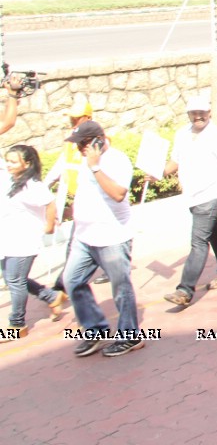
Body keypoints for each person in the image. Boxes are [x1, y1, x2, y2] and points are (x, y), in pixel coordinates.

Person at [60, 121, 142, 356]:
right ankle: (95, 330)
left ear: (99, 140)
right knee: (72, 280)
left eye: (83, 144)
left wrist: (96, 168)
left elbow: (118, 194)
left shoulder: (116, 161)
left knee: (120, 287)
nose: (79, 149)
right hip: (85, 237)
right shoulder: (87, 162)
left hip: (112, 236)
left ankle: (130, 336)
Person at [162, 97, 217, 308]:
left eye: (202, 112)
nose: (198, 116)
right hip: (193, 196)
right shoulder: (182, 134)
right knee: (215, 231)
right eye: (193, 113)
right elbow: (175, 161)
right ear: (188, 115)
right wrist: (158, 173)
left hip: (212, 194)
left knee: (198, 242)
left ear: (210, 113)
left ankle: (185, 290)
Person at [2, 145, 65, 340]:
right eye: (7, 160)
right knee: (13, 278)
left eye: (13, 161)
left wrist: (49, 225)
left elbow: (50, 203)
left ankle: (17, 324)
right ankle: (52, 297)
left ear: (27, 163)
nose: (8, 164)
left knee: (15, 280)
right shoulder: (8, 178)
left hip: (23, 240)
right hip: (7, 238)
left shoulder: (33, 185)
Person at [46, 98, 93, 292]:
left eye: (76, 119)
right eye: (71, 120)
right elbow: (62, 164)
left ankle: (64, 284)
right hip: (79, 199)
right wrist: (45, 185)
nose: (72, 123)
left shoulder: (94, 140)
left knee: (79, 244)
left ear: (87, 118)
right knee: (78, 244)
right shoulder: (72, 140)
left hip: (91, 200)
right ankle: (65, 283)